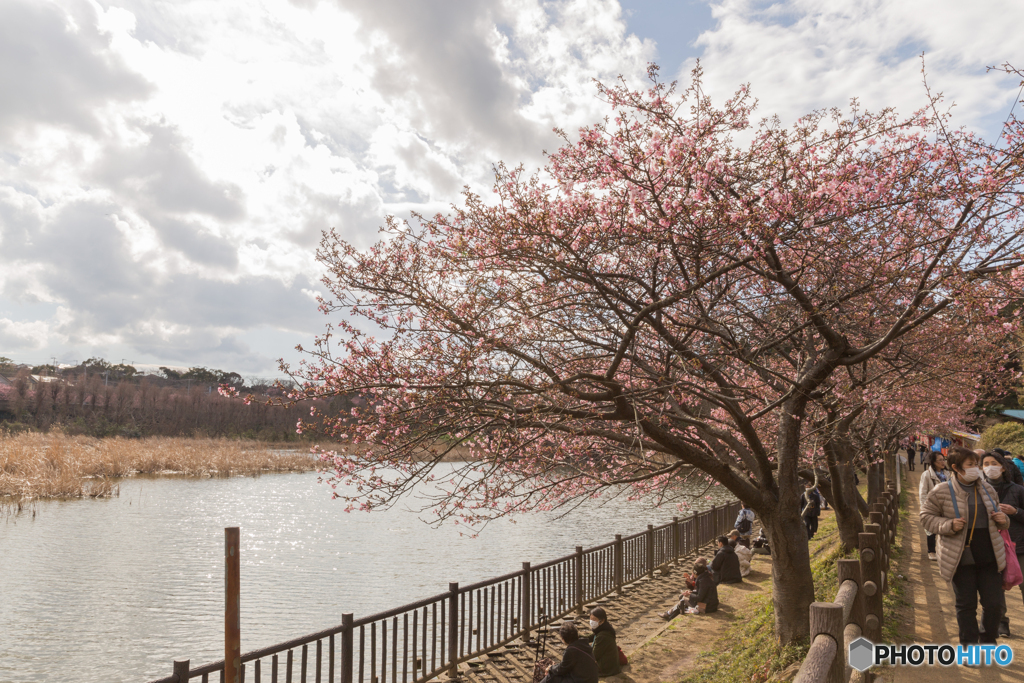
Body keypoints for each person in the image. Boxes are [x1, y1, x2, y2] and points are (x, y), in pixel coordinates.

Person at [920, 446, 1010, 646]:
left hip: (990, 554)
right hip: (960, 556)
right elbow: (925, 517)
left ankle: (987, 640)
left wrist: (1003, 519)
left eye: (977, 465)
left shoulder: (988, 489)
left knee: (994, 604)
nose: (976, 469)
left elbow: (1002, 523)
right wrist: (948, 525)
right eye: (971, 465)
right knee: (966, 605)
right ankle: (969, 646)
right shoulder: (941, 491)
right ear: (956, 467)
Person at [983, 451, 1024, 637]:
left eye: (993, 463)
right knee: (997, 588)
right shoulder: (979, 490)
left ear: (1002, 466)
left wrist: (1015, 512)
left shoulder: (1017, 489)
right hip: (991, 545)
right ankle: (1002, 623)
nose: (990, 467)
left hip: (1019, 545)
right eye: (985, 464)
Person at [919, 451, 949, 561]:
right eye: (940, 460)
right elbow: (923, 493)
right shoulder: (927, 475)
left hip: (946, 505)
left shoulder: (947, 474)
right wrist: (924, 508)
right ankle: (931, 551)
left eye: (943, 459)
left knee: (945, 528)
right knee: (931, 529)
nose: (943, 462)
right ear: (933, 462)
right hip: (932, 506)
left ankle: (943, 551)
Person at [587, 607, 621, 677]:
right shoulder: (604, 628)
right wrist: (578, 637)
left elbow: (594, 656)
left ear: (602, 621)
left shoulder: (603, 636)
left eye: (594, 620)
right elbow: (591, 636)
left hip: (606, 668)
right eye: (591, 619)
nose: (591, 621)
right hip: (610, 663)